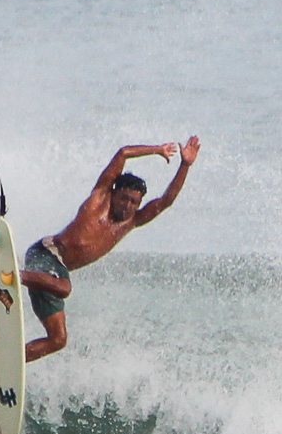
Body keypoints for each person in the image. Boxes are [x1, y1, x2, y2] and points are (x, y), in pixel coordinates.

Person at [20, 136, 201, 362]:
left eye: (134, 202)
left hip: (53, 275)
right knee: (64, 288)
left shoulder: (132, 222)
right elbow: (123, 152)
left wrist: (185, 165)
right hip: (45, 253)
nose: (127, 206)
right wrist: (157, 150)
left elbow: (166, 201)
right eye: (124, 198)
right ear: (114, 193)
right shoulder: (100, 197)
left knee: (58, 340)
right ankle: (12, 276)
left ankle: (6, 362)